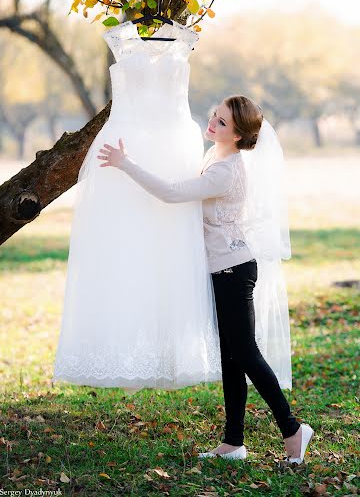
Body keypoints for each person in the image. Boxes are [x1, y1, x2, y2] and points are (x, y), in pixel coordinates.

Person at [96, 94, 314, 465]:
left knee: (245, 353)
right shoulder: (215, 156)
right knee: (231, 357)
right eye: (216, 115)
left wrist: (125, 164)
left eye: (223, 122)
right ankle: (233, 442)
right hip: (223, 269)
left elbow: (173, 193)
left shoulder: (225, 170)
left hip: (234, 270)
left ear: (239, 135)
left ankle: (293, 429)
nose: (213, 123)